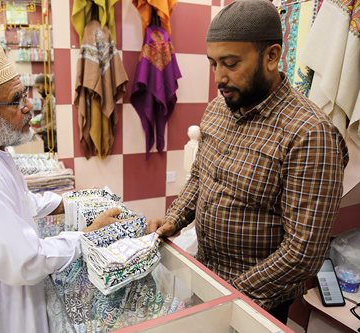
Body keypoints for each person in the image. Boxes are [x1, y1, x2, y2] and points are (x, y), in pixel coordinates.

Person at [148, 0, 349, 324]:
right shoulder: (217, 109)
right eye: (214, 63)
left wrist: (230, 294)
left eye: (230, 63)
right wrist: (174, 219)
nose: (219, 77)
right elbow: (200, 178)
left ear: (271, 56)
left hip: (256, 303)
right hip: (207, 278)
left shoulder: (309, 135)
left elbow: (303, 252)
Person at [0, 39, 119, 333]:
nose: (30, 106)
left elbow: (16, 202)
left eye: (25, 94)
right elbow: (26, 262)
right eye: (16, 100)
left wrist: (70, 203)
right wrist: (87, 237)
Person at [33, 74, 57, 152]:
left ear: (46, 85)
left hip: (53, 144)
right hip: (47, 141)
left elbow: (55, 123)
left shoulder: (52, 100)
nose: (38, 90)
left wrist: (39, 130)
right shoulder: (47, 99)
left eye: (38, 87)